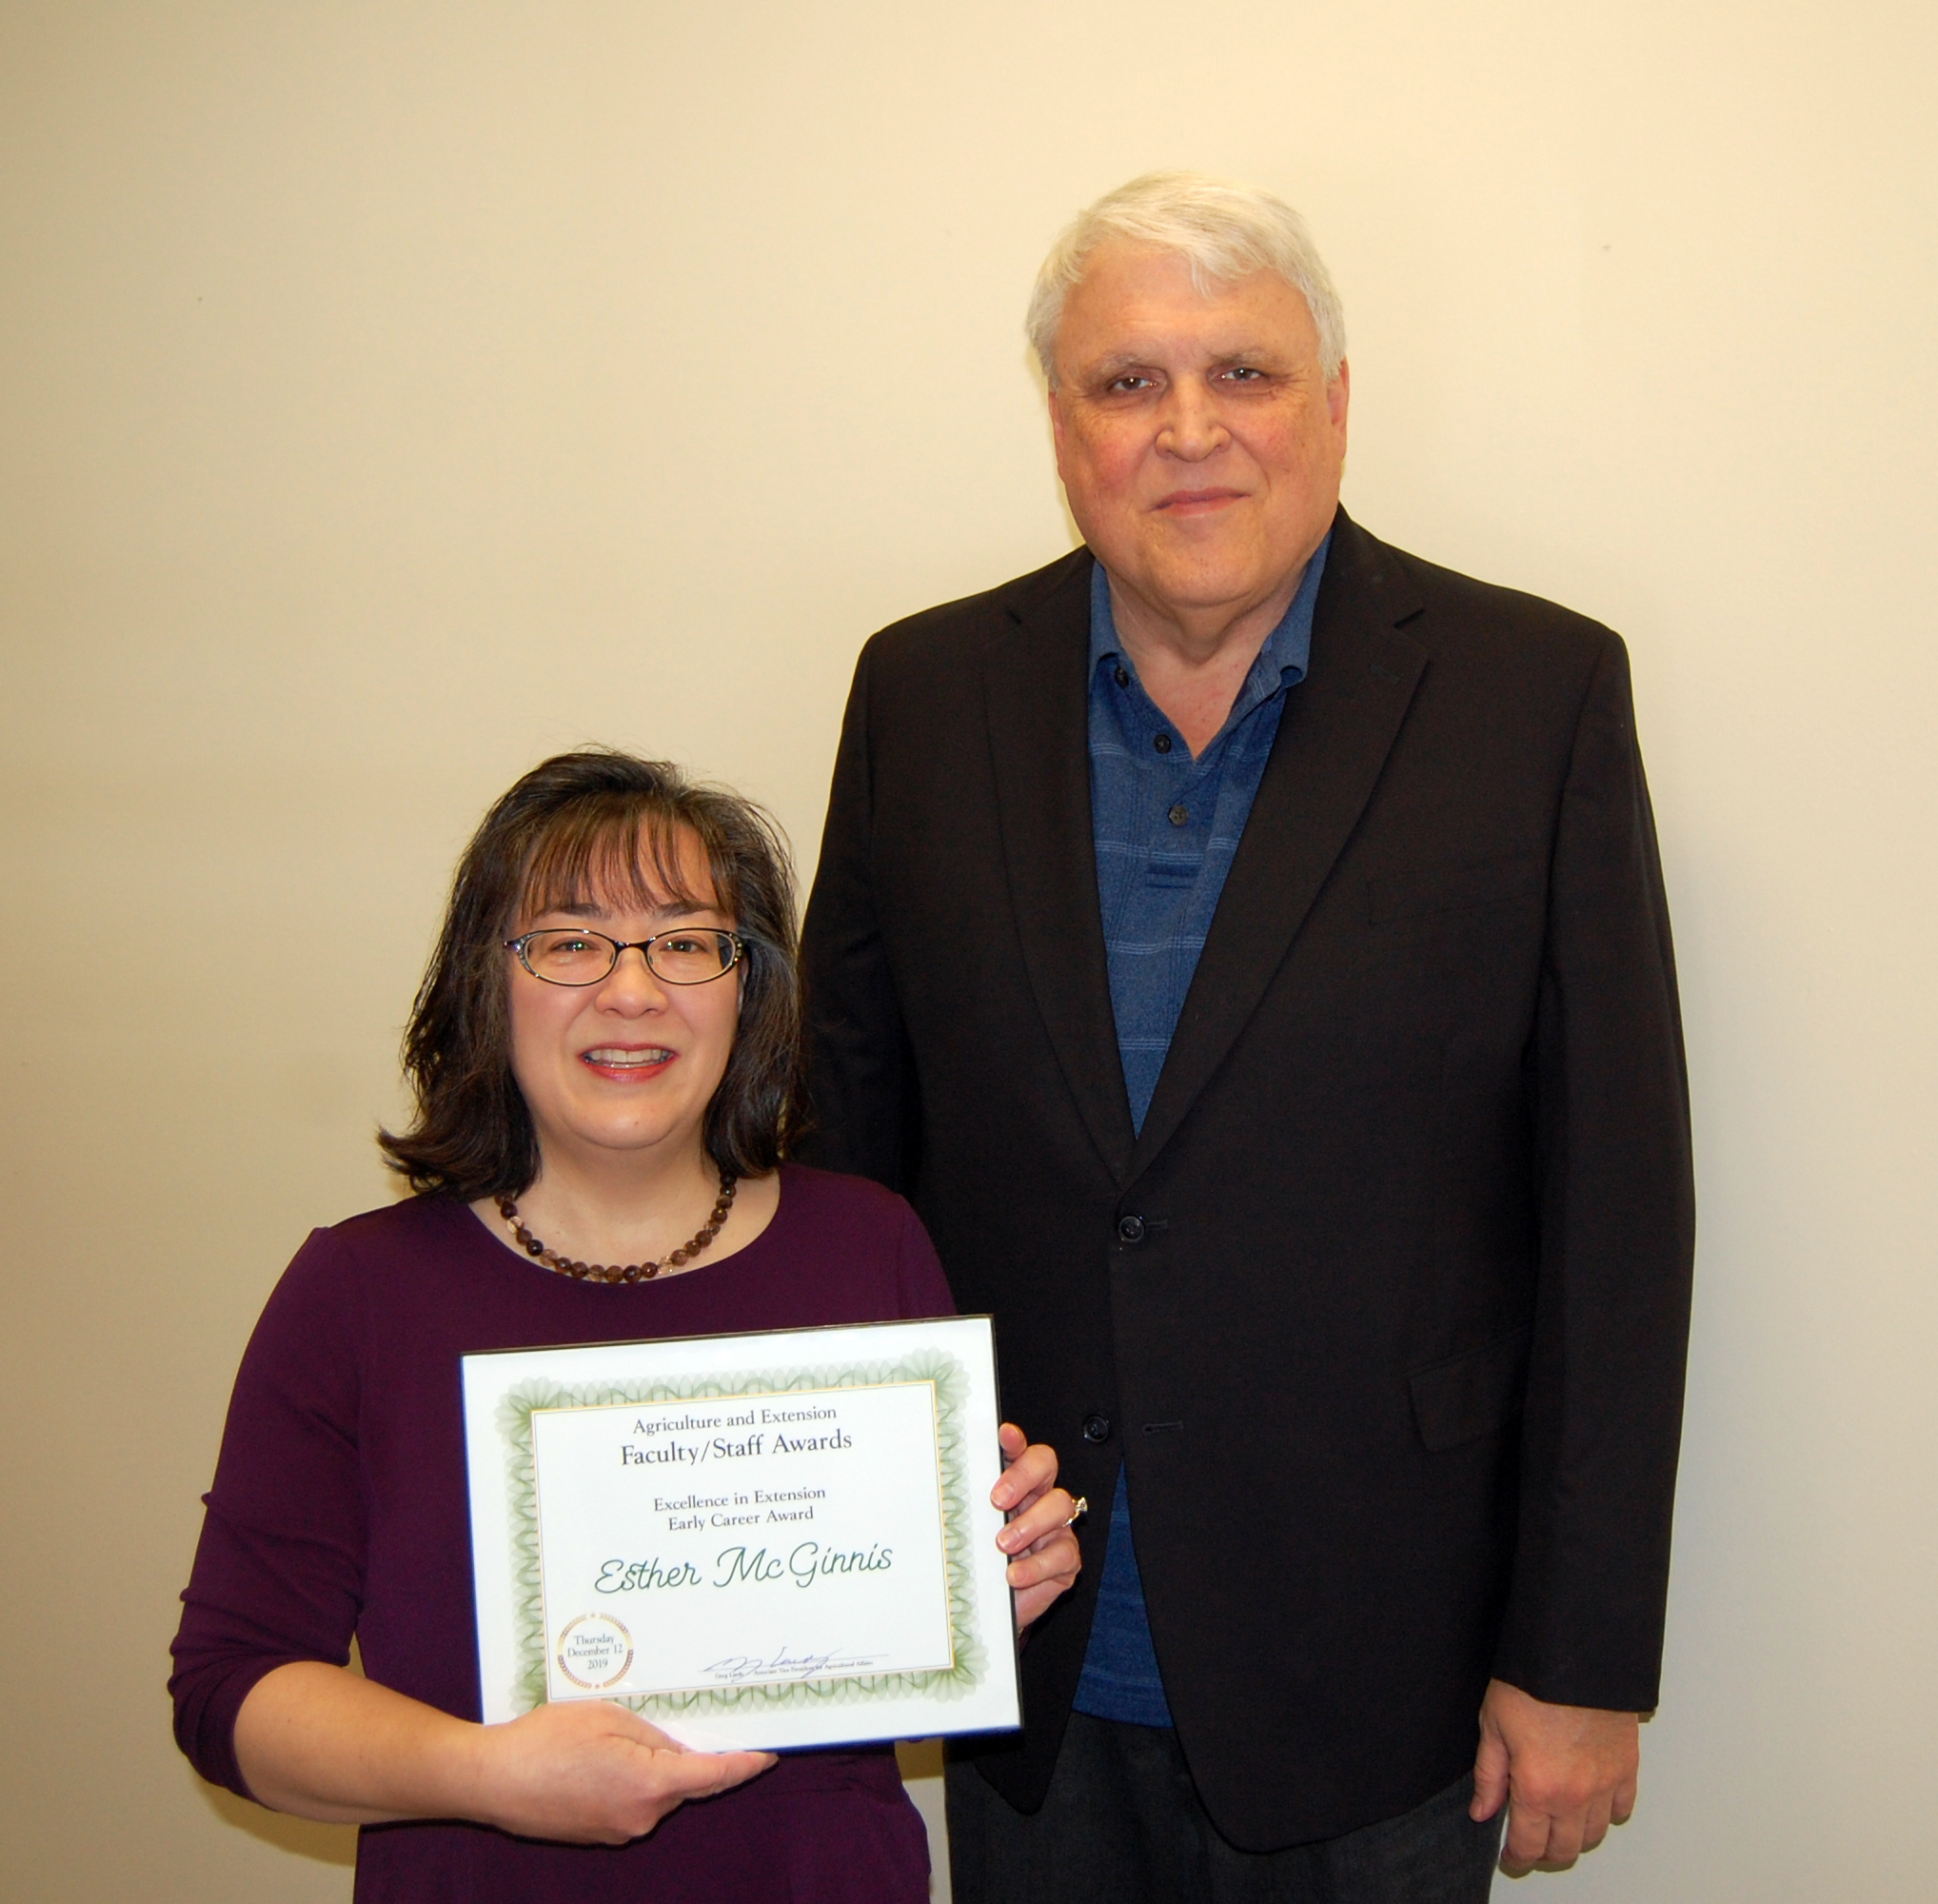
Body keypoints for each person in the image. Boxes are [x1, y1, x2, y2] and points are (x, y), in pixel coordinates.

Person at [799, 171, 1695, 1902]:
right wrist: (844, 1576)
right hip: (1028, 1670)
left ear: (1339, 403)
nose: (1189, 431)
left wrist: (1582, 1653)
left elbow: (1618, 1215)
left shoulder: (1534, 697)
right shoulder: (918, 696)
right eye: (1127, 382)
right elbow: (846, 1163)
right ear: (1060, 424)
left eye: (1247, 374)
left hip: (1387, 1670)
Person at [170, 749, 1082, 1904]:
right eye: (568, 940)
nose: (632, 988)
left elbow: (876, 1650)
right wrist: (486, 1772)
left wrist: (974, 1593)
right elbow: (229, 1689)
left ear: (745, 984)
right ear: (485, 984)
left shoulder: (866, 1245)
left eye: (684, 940)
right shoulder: (358, 1290)